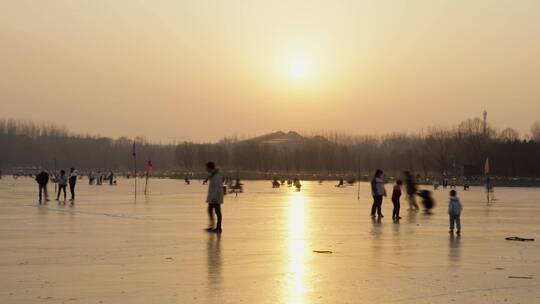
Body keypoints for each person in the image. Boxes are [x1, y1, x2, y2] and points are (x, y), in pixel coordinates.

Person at [204, 162, 224, 233]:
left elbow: (217, 188)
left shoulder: (217, 175)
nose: (206, 169)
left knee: (217, 211)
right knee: (210, 210)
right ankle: (212, 226)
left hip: (216, 197)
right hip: (213, 196)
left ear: (210, 168)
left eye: (207, 168)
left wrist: (215, 198)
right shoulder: (213, 174)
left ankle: (218, 228)